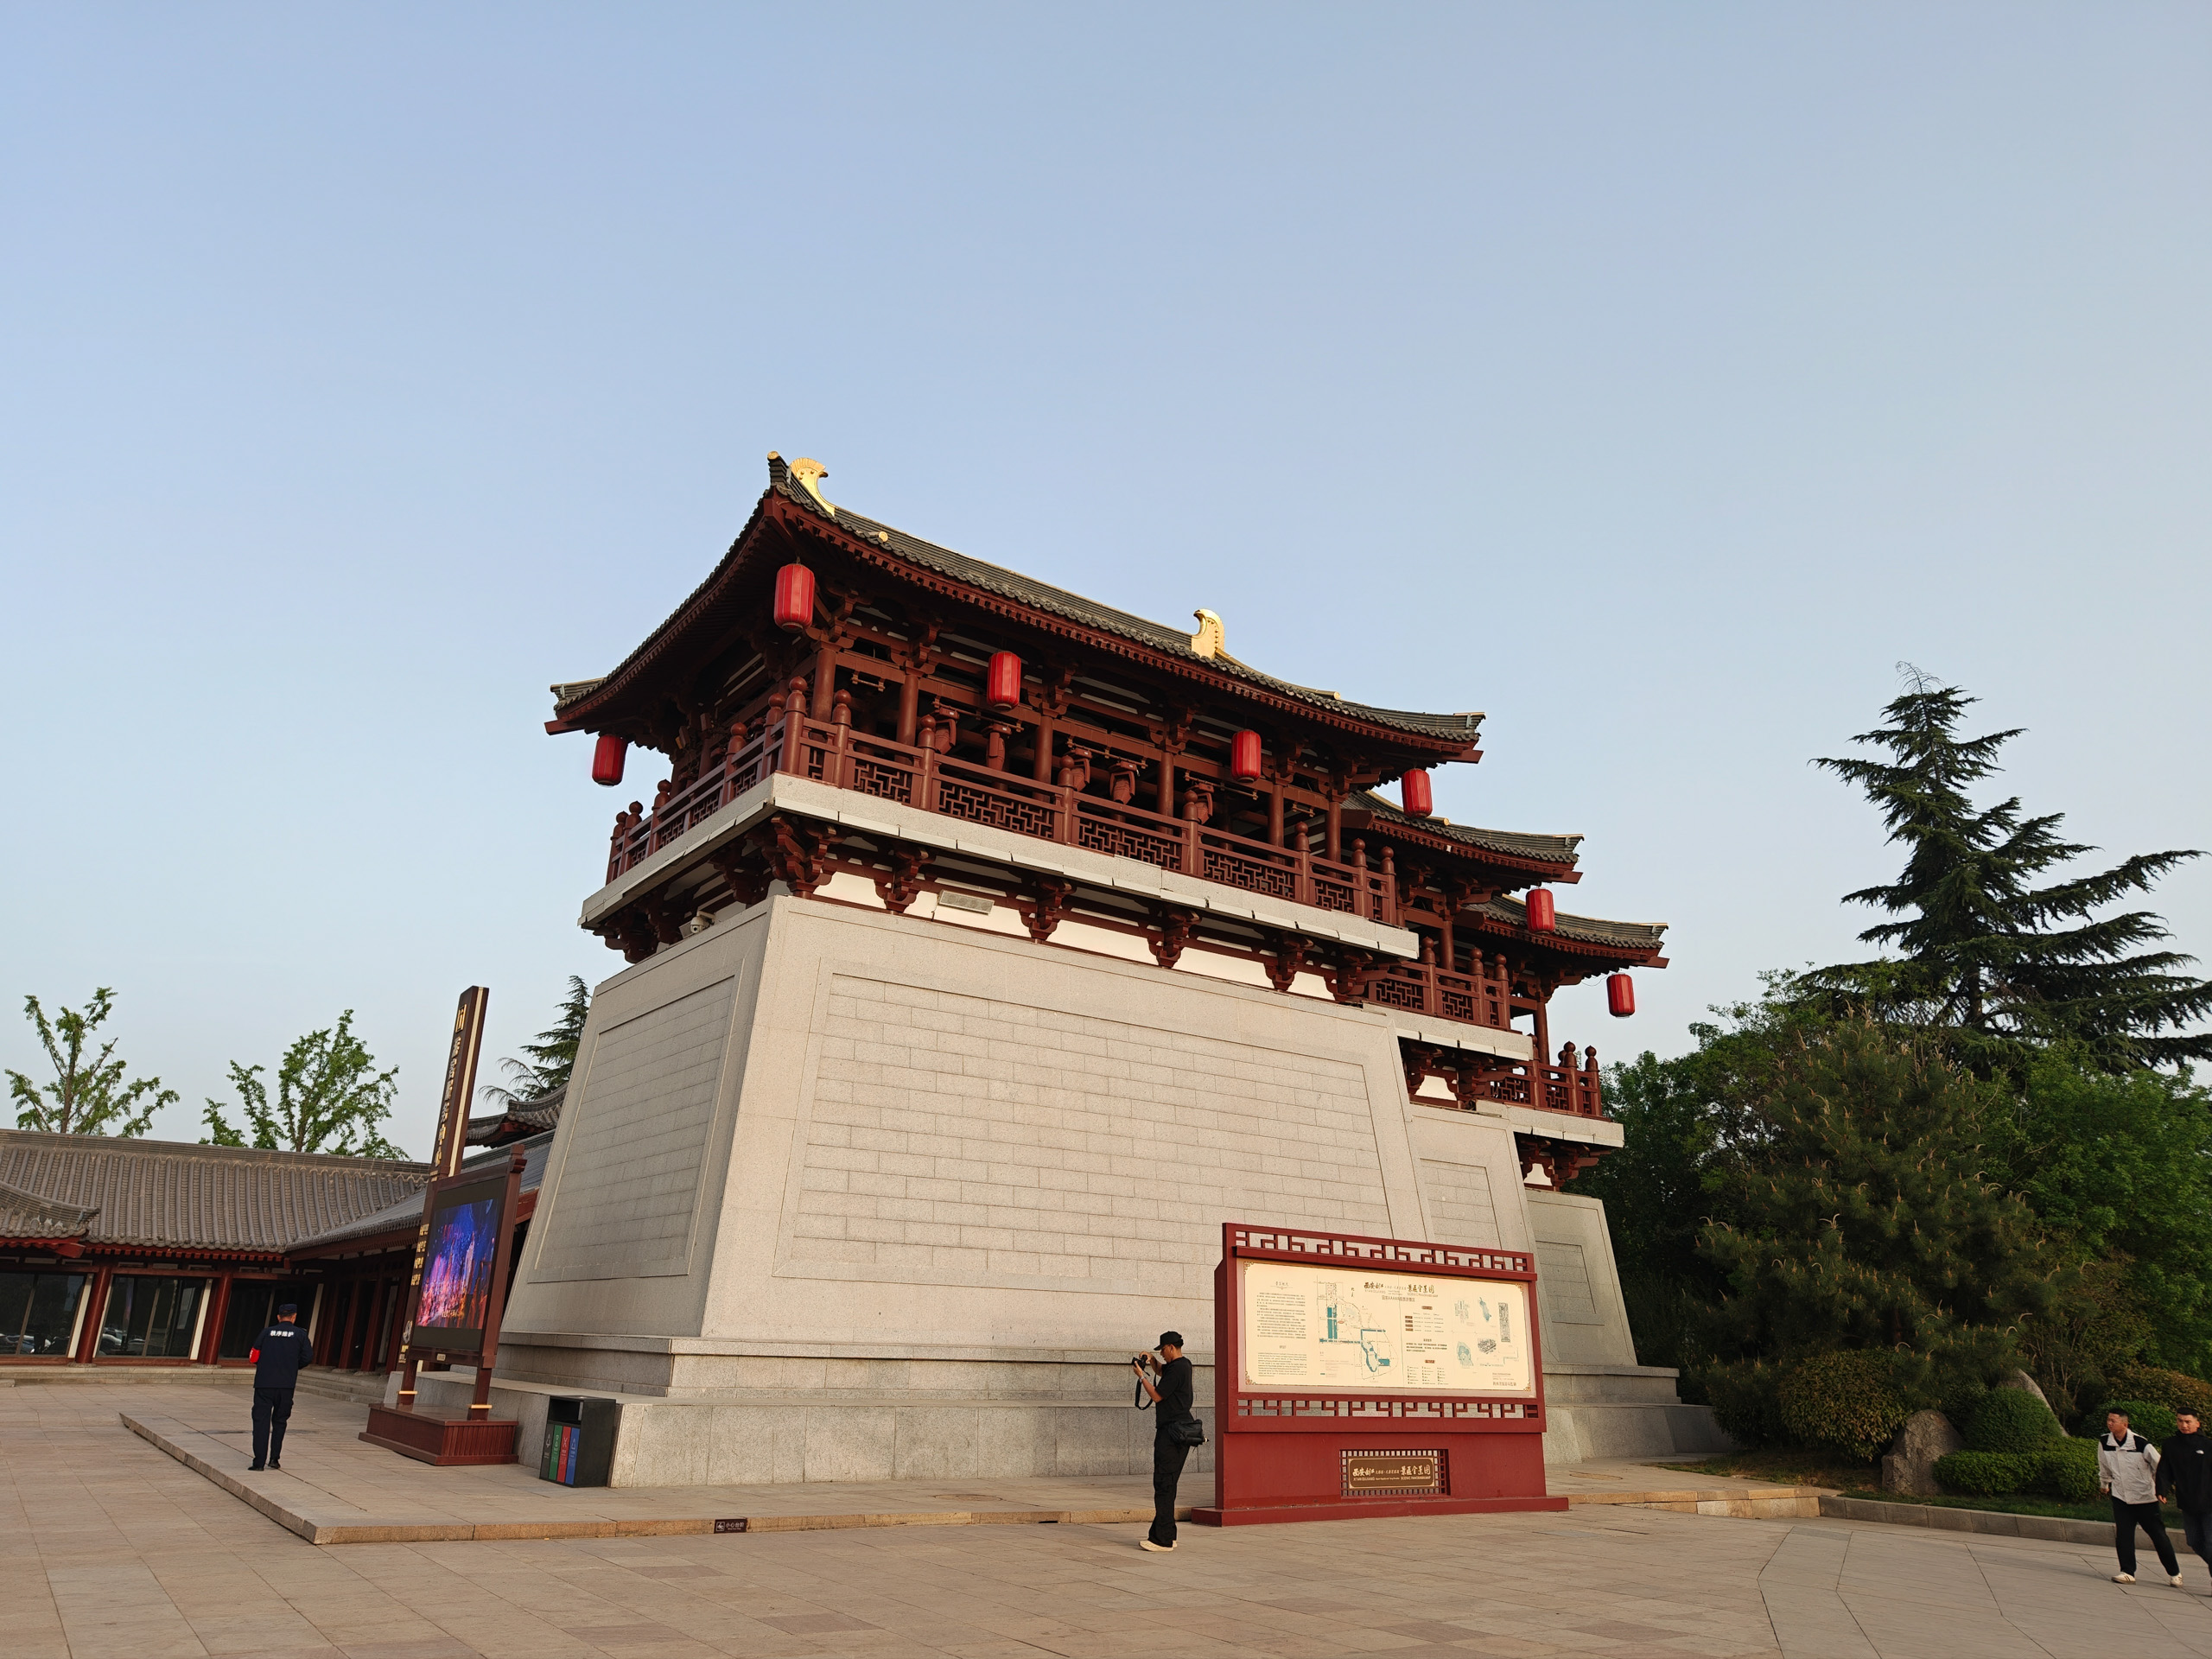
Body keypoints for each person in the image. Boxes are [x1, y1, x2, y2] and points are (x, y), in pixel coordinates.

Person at [2101, 1407, 2182, 1586]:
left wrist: (2160, 1488)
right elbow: (2104, 1464)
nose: (2109, 1423)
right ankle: (2127, 1572)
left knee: (2158, 1536)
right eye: (2108, 1420)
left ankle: (2175, 1573)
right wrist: (2104, 1484)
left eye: (2113, 1421)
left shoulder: (2141, 1444)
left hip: (2145, 1499)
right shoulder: (2105, 1442)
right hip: (2121, 1497)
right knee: (2123, 1536)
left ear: (2125, 1424)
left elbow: (2160, 1466)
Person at [1132, 1332, 1194, 1553]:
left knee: (1163, 1484)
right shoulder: (1183, 1365)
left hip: (1171, 1433)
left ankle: (1162, 1540)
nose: (1162, 1355)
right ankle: (1168, 1535)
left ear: (1171, 1347)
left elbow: (1157, 1396)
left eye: (1162, 1350)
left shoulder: (1177, 1368)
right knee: (1168, 1485)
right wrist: (1150, 1360)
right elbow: (1162, 1370)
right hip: (1179, 1431)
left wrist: (1142, 1377)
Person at [247, 1303, 308, 1471]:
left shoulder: (266, 1332)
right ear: (294, 1317)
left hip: (264, 1384)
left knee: (261, 1422)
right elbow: (307, 1357)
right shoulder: (300, 1334)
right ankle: (274, 1459)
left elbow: (253, 1356)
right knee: (280, 1421)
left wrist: (265, 1365)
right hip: (286, 1386)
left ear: (278, 1317)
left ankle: (259, 1463)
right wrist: (292, 1366)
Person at [2159, 1408, 2212, 1586]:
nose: (2184, 1425)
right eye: (2180, 1421)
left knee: (2211, 1543)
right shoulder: (2171, 1445)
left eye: (2188, 1422)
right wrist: (2162, 1489)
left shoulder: (2208, 1446)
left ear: (2197, 1423)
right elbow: (2164, 1469)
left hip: (2209, 1503)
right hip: (2188, 1503)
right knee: (2194, 1542)